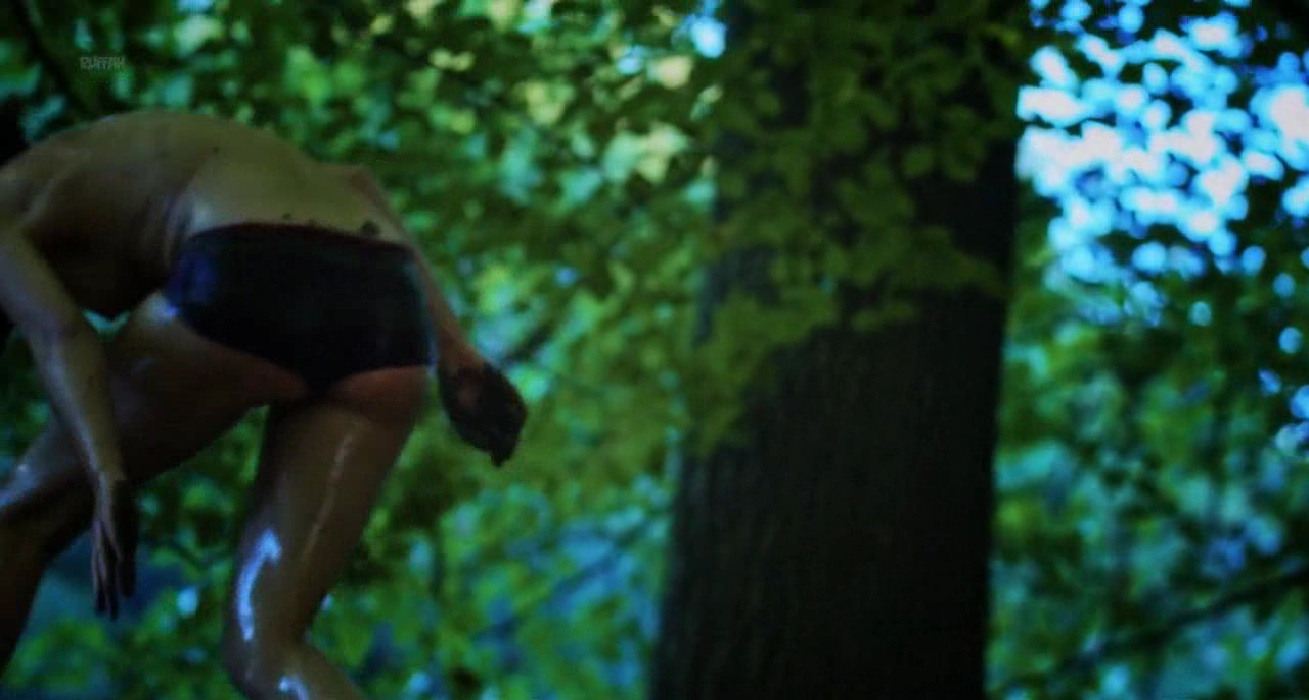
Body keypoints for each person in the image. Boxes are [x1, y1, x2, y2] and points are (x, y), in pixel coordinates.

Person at [0, 111, 528, 698]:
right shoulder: (119, 150)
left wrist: (105, 472)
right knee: (267, 649)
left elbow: (61, 334)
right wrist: (457, 353)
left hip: (244, 269)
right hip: (389, 302)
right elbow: (358, 182)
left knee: (18, 518)